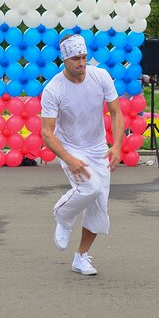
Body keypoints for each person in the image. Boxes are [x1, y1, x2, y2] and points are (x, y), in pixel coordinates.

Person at [41, 34, 124, 276]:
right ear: (65, 58)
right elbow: (47, 133)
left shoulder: (101, 77)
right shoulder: (54, 89)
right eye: (76, 58)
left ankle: (81, 257)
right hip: (71, 148)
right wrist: (69, 159)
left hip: (98, 148)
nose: (81, 62)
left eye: (84, 57)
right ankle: (63, 215)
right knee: (90, 188)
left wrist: (117, 146)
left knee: (99, 209)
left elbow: (116, 113)